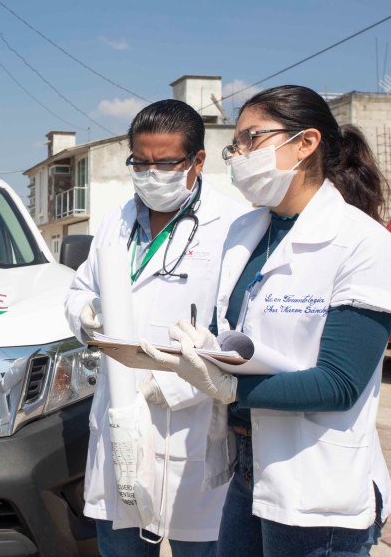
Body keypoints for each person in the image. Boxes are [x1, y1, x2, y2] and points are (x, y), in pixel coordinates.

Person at [140, 85, 391, 556]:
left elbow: (340, 384)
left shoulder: (362, 243)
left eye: (251, 140)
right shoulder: (247, 230)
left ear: (305, 143)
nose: (239, 155)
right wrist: (205, 351)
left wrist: (230, 388)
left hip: (315, 483)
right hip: (247, 465)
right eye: (235, 145)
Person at [64, 100, 248, 556]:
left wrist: (174, 386)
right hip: (120, 417)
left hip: (192, 421)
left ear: (197, 161)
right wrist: (86, 313)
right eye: (140, 163)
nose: (151, 173)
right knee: (122, 542)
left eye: (165, 163)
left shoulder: (233, 226)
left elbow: (236, 330)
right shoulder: (117, 220)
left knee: (198, 543)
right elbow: (78, 290)